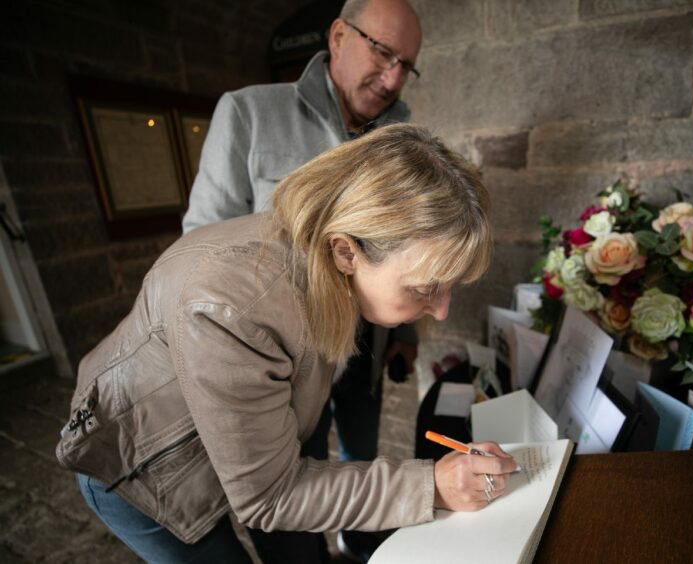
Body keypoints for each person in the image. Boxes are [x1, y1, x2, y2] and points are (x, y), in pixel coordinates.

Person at [57, 124, 517, 563]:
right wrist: (431, 486)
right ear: (345, 251)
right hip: (143, 466)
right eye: (425, 288)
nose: (442, 311)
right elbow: (270, 496)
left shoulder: (324, 256)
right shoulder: (231, 308)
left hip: (254, 442)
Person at [181, 3, 422, 528]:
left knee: (361, 460)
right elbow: (199, 247)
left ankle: (362, 549)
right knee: (293, 501)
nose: (393, 77)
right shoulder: (248, 112)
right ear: (339, 36)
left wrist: (409, 331)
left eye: (407, 64)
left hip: (365, 350)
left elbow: (410, 249)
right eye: (383, 53)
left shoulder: (403, 141)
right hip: (286, 364)